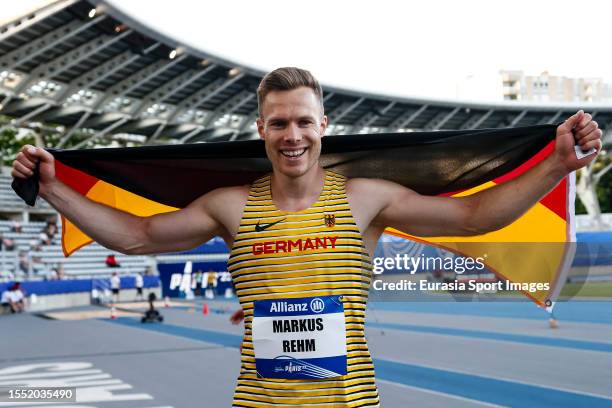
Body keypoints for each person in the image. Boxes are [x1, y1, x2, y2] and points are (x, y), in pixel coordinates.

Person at [11, 67, 602, 407]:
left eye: (303, 121)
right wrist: (53, 187)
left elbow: (475, 218)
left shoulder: (366, 198)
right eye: (279, 123)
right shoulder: (230, 205)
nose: (292, 135)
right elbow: (138, 237)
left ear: (323, 126)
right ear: (261, 129)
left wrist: (555, 164)